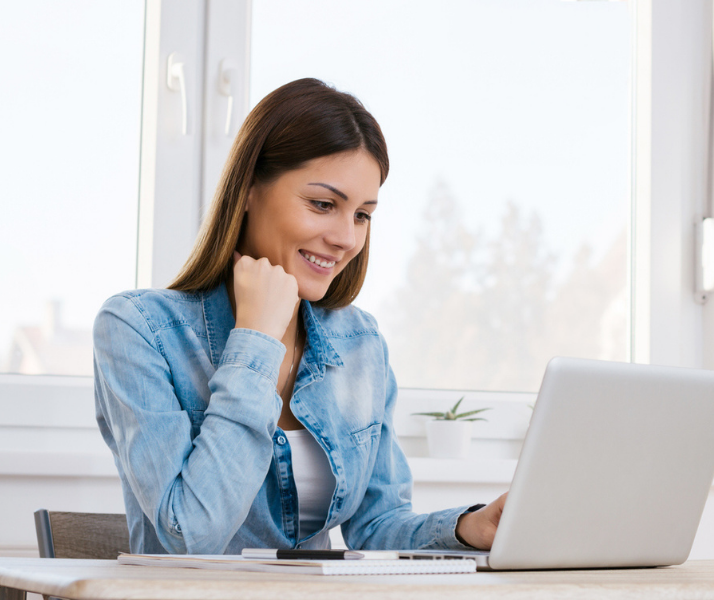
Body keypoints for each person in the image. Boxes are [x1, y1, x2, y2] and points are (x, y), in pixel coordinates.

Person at [93, 78, 506, 555]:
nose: (346, 238)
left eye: (362, 215)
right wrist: (256, 341)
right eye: (323, 205)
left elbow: (376, 527)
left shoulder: (360, 342)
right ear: (248, 191)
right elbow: (191, 535)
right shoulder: (138, 329)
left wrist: (467, 528)